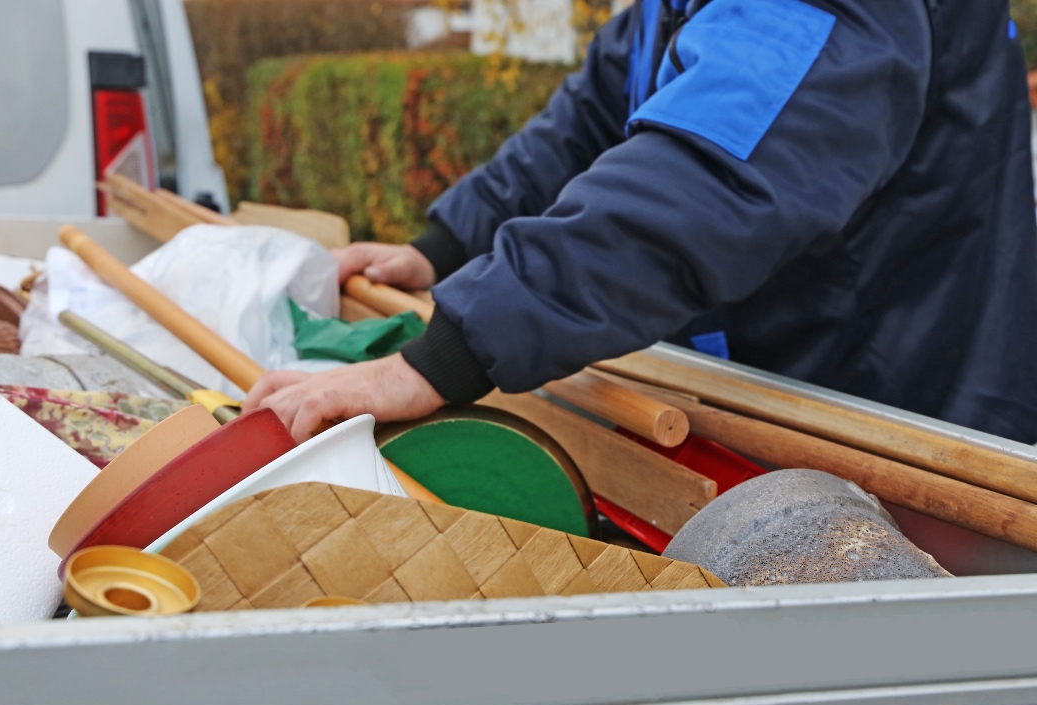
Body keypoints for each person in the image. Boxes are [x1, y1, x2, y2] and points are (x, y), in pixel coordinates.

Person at [247, 0, 1037, 445]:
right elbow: (592, 117)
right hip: (795, 385)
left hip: (907, 416)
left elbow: (710, 176)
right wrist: (445, 248)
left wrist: (439, 361)